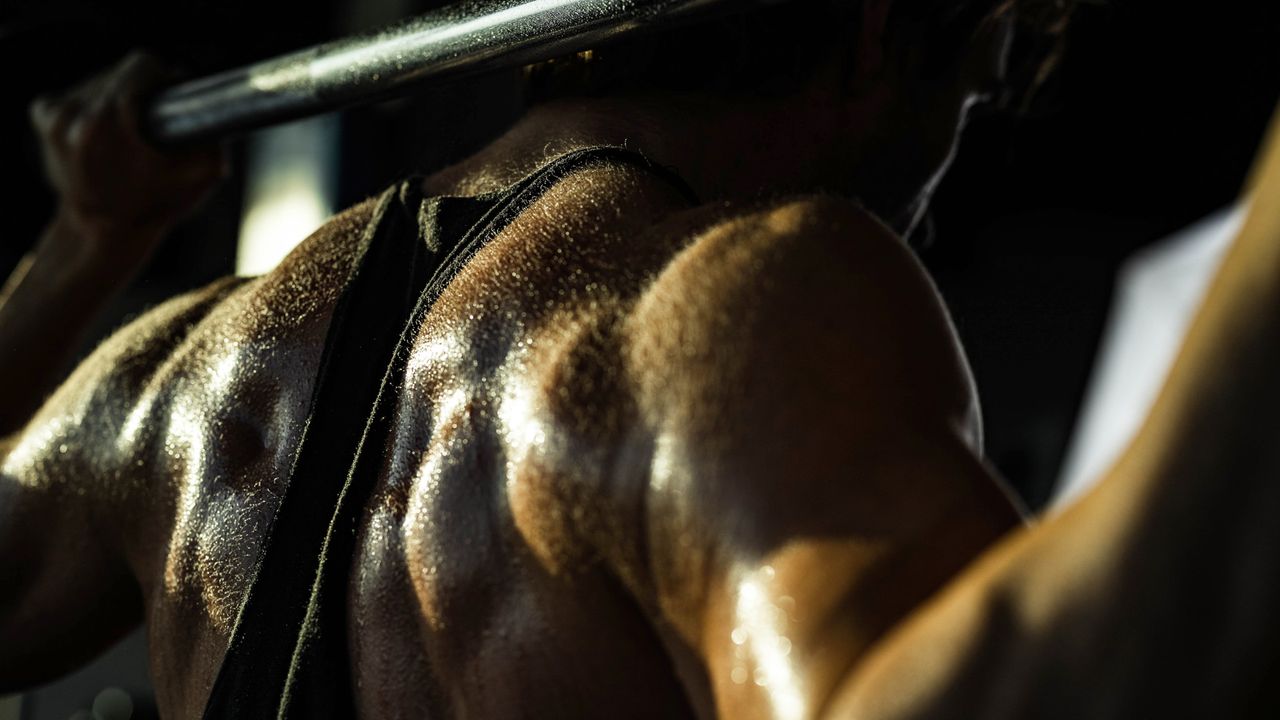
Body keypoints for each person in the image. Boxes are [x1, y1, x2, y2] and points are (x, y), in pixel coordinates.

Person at [3, 0, 1278, 716]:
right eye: (976, 89)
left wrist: (80, 248)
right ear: (884, 32)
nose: (946, 168)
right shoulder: (740, 302)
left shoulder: (187, 377)